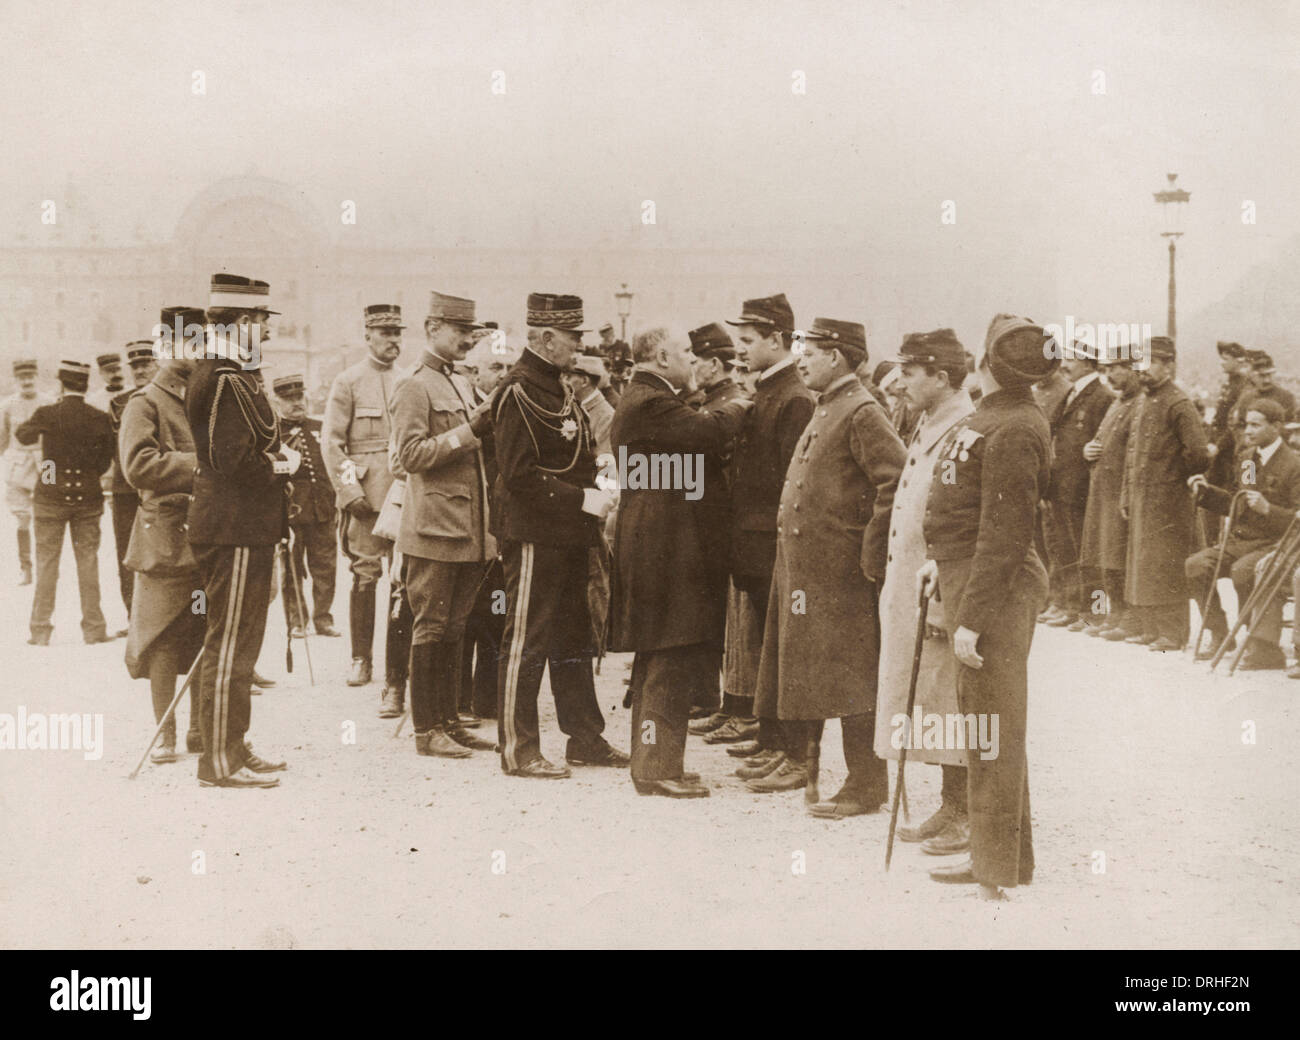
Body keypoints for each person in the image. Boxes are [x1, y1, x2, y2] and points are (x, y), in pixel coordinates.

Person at [918, 313, 1055, 899]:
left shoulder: (1017, 427)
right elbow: (965, 510)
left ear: (991, 364)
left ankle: (994, 869)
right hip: (968, 576)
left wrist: (970, 619)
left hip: (993, 593)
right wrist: (938, 560)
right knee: (989, 726)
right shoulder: (994, 416)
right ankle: (1002, 859)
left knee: (995, 727)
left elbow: (1004, 535)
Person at [755, 318, 903, 804]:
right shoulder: (830, 405)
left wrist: (868, 553)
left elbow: (894, 481)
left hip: (841, 575)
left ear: (836, 356)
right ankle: (808, 765)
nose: (801, 361)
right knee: (813, 671)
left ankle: (865, 784)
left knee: (852, 677)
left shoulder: (861, 410)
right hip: (810, 573)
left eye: (810, 352)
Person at [609, 326, 750, 798]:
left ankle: (656, 763)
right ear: (662, 356)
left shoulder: (645, 397)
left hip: (658, 544)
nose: (693, 360)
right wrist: (738, 404)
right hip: (664, 548)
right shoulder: (651, 400)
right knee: (671, 651)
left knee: (659, 654)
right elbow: (707, 431)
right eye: (686, 352)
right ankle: (656, 770)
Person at [493, 291, 627, 779]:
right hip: (534, 535)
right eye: (573, 339)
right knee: (526, 639)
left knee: (574, 639)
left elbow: (582, 453)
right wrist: (583, 500)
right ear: (547, 339)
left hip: (571, 534)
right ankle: (518, 748)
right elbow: (518, 475)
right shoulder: (518, 391)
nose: (579, 348)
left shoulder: (558, 388)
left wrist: (603, 480)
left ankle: (585, 738)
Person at [186, 273, 294, 789]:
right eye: (262, 322)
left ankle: (232, 746)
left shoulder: (231, 372)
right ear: (243, 322)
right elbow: (233, 461)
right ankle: (219, 762)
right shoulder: (226, 377)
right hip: (235, 526)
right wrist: (281, 466)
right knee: (230, 645)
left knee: (240, 646)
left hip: (242, 525)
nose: (268, 332)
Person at [875, 329, 975, 844]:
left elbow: (963, 518)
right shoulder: (931, 420)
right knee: (930, 700)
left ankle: (964, 811)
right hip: (916, 587)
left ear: (941, 376)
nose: (899, 383)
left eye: (910, 372)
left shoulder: (963, 426)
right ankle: (949, 803)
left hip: (942, 588)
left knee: (950, 698)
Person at [391, 291, 498, 758]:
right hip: (434, 529)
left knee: (455, 626)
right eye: (460, 331)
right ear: (432, 327)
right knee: (430, 627)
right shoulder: (415, 385)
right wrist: (468, 432)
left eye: (472, 333)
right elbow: (410, 456)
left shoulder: (457, 382)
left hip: (470, 528)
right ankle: (425, 729)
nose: (468, 341)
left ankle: (449, 720)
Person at [715, 293, 814, 774]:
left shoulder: (793, 398)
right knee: (766, 647)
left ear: (777, 340)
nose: (740, 350)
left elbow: (791, 486)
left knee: (783, 650)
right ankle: (771, 739)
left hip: (772, 546)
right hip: (753, 545)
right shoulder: (770, 392)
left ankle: (789, 747)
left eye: (749, 341)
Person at [120, 308, 208, 762]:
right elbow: (138, 466)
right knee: (161, 636)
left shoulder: (201, 398)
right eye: (186, 344)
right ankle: (166, 734)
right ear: (165, 347)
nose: (195, 353)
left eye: (200, 343)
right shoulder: (144, 403)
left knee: (199, 629)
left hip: (203, 533)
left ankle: (197, 730)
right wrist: (199, 466)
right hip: (162, 538)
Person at [322, 304, 414, 713]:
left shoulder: (409, 379)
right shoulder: (348, 381)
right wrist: (349, 491)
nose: (393, 340)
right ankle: (361, 658)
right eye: (385, 333)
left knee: (402, 581)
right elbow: (332, 443)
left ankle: (400, 669)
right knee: (365, 576)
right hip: (365, 498)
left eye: (398, 332)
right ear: (368, 336)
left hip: (403, 494)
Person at [1186, 397, 1300, 667]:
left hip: (1275, 544)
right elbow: (1238, 502)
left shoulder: (1294, 464)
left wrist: (1267, 509)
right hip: (1241, 541)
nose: (1247, 431)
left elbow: (1297, 519)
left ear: (1277, 426)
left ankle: (1260, 644)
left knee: (1243, 571)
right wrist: (1207, 494)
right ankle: (1220, 632)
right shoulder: (1247, 459)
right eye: (1246, 425)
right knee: (1196, 565)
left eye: (1255, 425)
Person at [15, 360, 116, 646]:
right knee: (88, 563)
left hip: (49, 498)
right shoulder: (98, 416)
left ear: (61, 384)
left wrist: (50, 469)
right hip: (88, 498)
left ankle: (40, 630)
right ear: (84, 386)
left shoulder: (48, 412)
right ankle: (94, 630)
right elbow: (104, 461)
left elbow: (23, 435)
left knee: (47, 564)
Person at [1120, 337, 1210, 650]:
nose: (1140, 370)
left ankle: (1173, 633)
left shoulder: (1178, 403)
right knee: (1143, 564)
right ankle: (1151, 627)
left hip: (1168, 502)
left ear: (1168, 365)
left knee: (1166, 565)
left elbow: (1198, 454)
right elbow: (1132, 453)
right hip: (1141, 499)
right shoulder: (1143, 400)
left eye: (1148, 363)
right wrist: (1126, 496)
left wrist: (1173, 480)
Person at [1041, 340, 1113, 629]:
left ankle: (1092, 611)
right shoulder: (1073, 393)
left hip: (1083, 488)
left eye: (1070, 359)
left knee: (1086, 552)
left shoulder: (1102, 396)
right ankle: (1070, 604)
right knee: (1065, 549)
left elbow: (1102, 441)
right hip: (1063, 487)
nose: (1065, 365)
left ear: (1087, 362)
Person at [270, 374, 339, 639]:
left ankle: (323, 618)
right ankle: (297, 621)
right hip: (291, 510)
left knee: (325, 566)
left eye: (299, 397)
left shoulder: (321, 428)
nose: (296, 403)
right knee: (292, 567)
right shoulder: (273, 433)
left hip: (323, 507)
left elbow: (337, 461)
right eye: (289, 399)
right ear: (277, 402)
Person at [1080, 351, 1143, 640]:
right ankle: (1114, 611)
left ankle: (1129, 615)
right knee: (1104, 552)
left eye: (1115, 369)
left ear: (1131, 368)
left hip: (1121, 490)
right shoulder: (1118, 401)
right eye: (1105, 369)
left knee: (1120, 553)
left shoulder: (1139, 402)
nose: (1109, 375)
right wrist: (1088, 449)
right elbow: (1100, 438)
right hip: (1103, 489)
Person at [105, 341, 162, 625]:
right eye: (135, 366)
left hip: (161, 487)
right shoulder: (119, 403)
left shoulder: (171, 399)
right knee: (127, 555)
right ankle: (134, 618)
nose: (140, 370)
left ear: (158, 364)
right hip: (126, 489)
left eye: (146, 364)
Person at [0, 358, 52, 585]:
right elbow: (2, 439)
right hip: (17, 468)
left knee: (48, 518)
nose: (27, 381)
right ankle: (26, 567)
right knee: (22, 520)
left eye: (30, 376)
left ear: (36, 377)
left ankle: (46, 568)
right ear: (16, 379)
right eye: (22, 377)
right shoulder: (7, 405)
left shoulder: (49, 402)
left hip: (47, 466)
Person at [566, 354, 615, 457]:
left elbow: (605, 464)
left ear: (584, 381)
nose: (565, 382)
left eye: (568, 377)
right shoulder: (572, 406)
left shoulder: (607, 417)